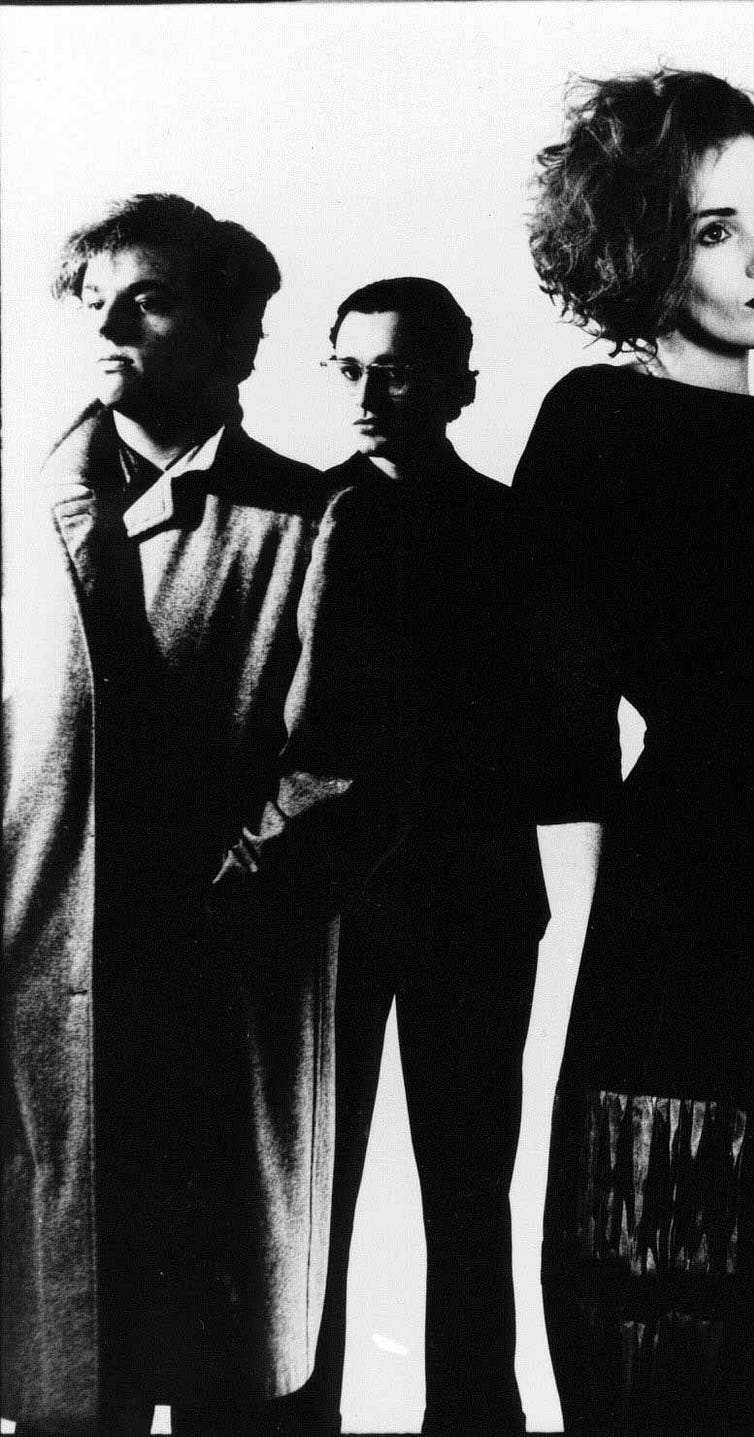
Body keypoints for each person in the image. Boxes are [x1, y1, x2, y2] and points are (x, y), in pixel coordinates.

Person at [517, 68, 754, 1429]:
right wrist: (588, 935)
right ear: (639, 254)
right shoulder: (594, 422)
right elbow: (553, 731)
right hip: (671, 917)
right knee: (648, 1303)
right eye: (713, 230)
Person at [2, 194, 401, 1435]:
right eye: (94, 301)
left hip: (217, 1008)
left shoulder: (316, 520)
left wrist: (207, 923)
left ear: (236, 338)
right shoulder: (24, 509)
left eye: (151, 300)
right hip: (40, 1005)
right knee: (67, 1374)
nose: (109, 326)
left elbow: (341, 774)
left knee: (225, 1374)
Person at [272, 277, 550, 1436]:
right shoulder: (296, 515)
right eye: (349, 369)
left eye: (395, 370)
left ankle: (477, 1421)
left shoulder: (514, 527)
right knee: (308, 1192)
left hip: (475, 901)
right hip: (327, 907)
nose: (370, 394)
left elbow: (556, 727)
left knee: (470, 1191)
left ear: (457, 386)